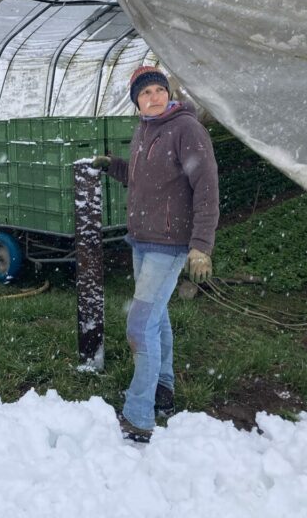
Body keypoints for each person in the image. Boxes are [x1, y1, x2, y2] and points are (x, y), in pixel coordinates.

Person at [93, 65, 219, 443]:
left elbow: (207, 188)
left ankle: (138, 416)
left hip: (169, 244)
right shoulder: (144, 130)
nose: (154, 97)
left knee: (139, 326)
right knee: (156, 317)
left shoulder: (186, 129)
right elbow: (141, 179)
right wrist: (113, 166)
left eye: (159, 90)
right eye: (145, 93)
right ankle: (163, 388)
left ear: (168, 93)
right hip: (142, 241)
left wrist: (200, 246)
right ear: (137, 102)